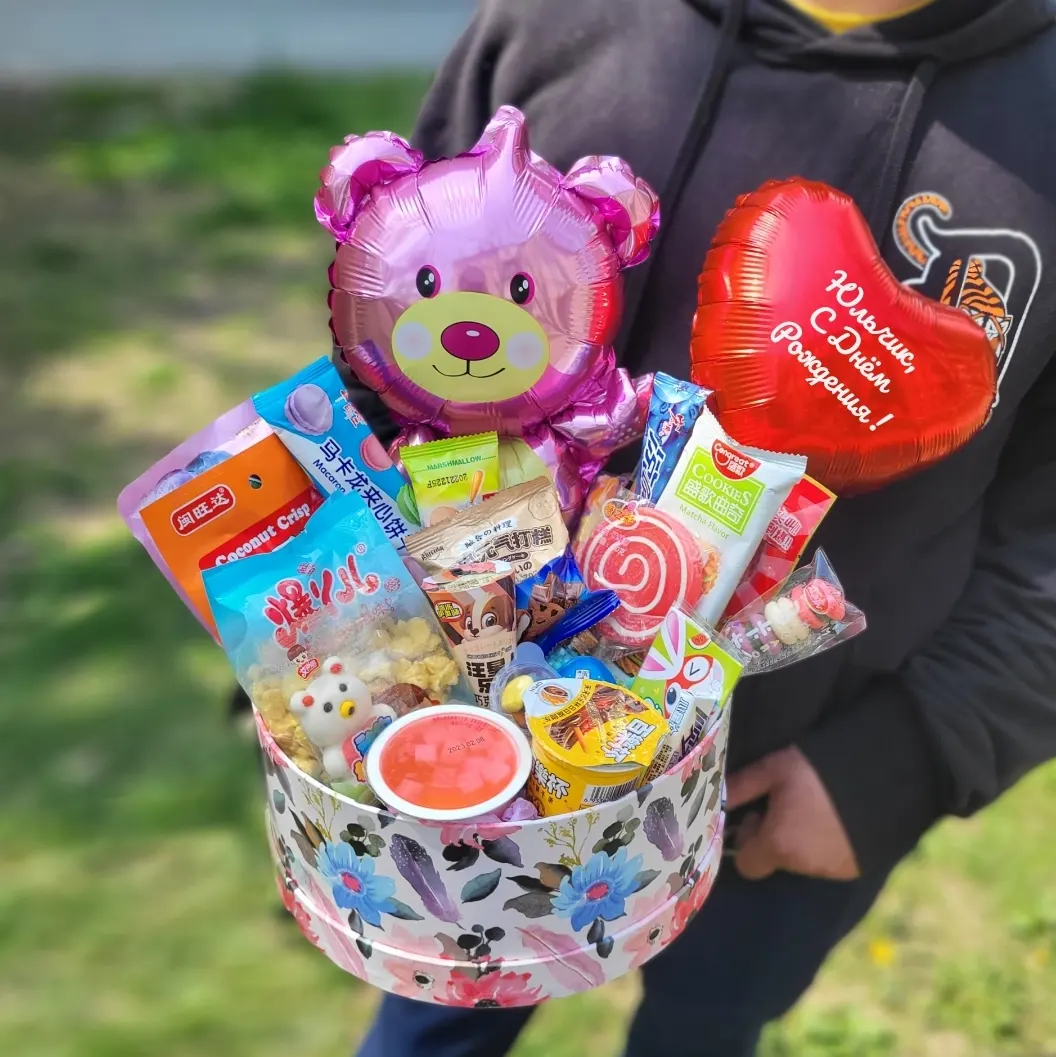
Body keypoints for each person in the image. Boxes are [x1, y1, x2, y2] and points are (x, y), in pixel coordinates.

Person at [345, 1, 1056, 1054]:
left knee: (706, 1027)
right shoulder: (555, 22)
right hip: (477, 737)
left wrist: (902, 758)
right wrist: (353, 631)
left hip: (789, 777)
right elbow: (390, 329)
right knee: (433, 1025)